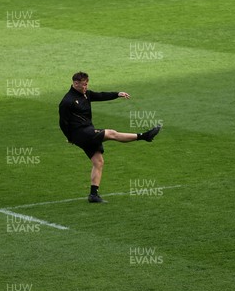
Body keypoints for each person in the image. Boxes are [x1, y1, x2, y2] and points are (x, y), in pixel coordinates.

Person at [59, 72, 161, 203]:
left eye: (87, 84)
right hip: (81, 133)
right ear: (76, 83)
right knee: (112, 133)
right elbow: (63, 122)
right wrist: (70, 137)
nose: (86, 86)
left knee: (98, 162)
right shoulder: (67, 101)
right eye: (83, 84)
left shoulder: (86, 94)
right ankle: (144, 136)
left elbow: (101, 95)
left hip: (87, 131)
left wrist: (117, 94)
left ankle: (93, 195)